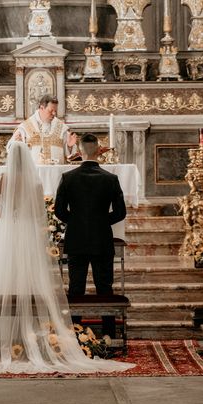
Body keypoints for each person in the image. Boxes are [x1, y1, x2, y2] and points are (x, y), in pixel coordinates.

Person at [0, 142, 133, 375]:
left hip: (7, 233)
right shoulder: (36, 183)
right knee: (88, 284)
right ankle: (55, 336)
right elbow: (42, 213)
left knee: (6, 278)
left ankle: (0, 337)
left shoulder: (1, 179)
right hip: (33, 235)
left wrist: (9, 216)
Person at [54, 133, 127, 338]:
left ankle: (74, 335)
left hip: (76, 238)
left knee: (76, 287)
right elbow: (120, 213)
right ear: (98, 150)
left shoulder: (68, 178)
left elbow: (59, 211)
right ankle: (109, 335)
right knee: (105, 286)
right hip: (102, 238)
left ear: (80, 152)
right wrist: (101, 223)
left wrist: (76, 222)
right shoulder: (111, 179)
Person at [7, 95, 77, 165]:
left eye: (55, 111)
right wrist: (16, 144)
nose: (54, 114)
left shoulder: (62, 128)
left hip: (56, 173)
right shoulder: (25, 127)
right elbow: (10, 150)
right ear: (42, 108)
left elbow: (71, 156)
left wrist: (69, 146)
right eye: (51, 111)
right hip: (33, 173)